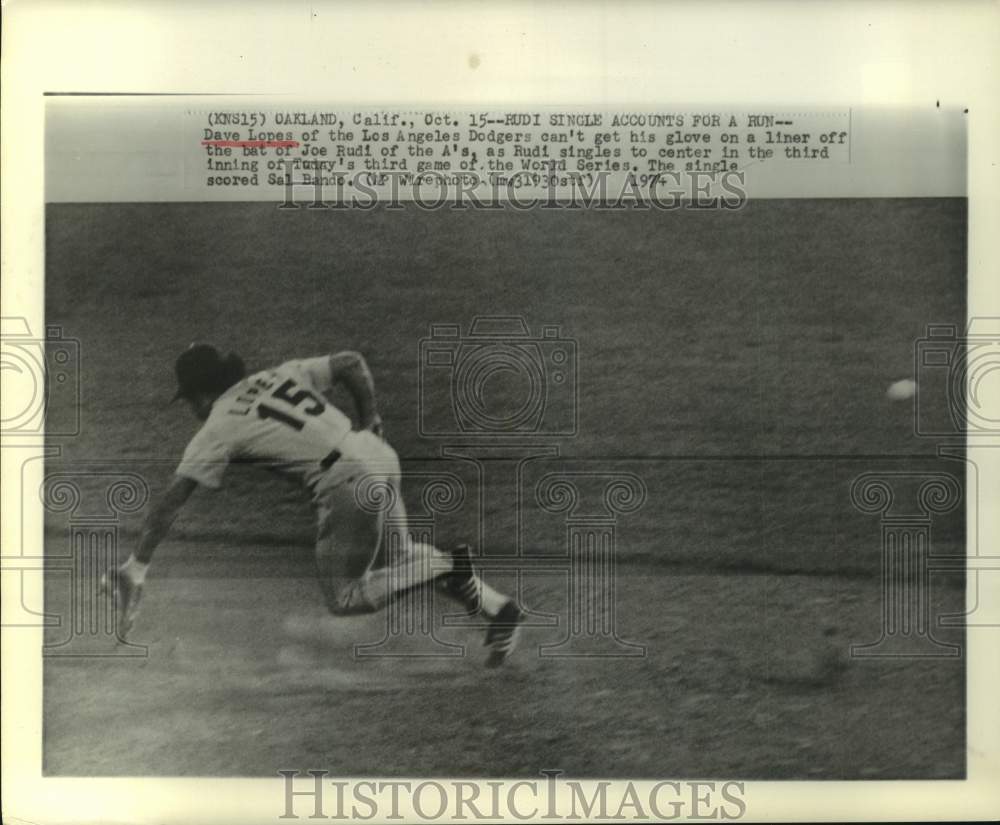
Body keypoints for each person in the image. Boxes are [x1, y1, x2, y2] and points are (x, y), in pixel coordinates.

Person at [102, 343, 524, 667]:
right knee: (401, 560)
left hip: (346, 481)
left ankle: (449, 565)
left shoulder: (217, 426)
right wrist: (371, 419)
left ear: (200, 394)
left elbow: (172, 501)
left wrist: (137, 565)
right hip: (376, 453)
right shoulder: (276, 375)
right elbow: (350, 362)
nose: (191, 408)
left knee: (346, 596)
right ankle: (499, 609)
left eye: (190, 399)